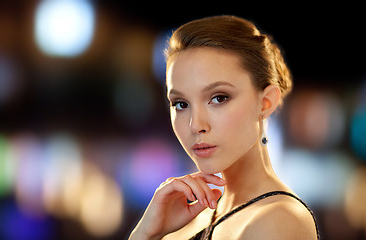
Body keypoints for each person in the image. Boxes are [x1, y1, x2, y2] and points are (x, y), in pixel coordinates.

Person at [129, 16, 320, 240]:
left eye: (219, 98)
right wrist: (146, 232)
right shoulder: (187, 218)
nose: (196, 125)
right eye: (181, 104)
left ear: (265, 102)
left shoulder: (278, 221)